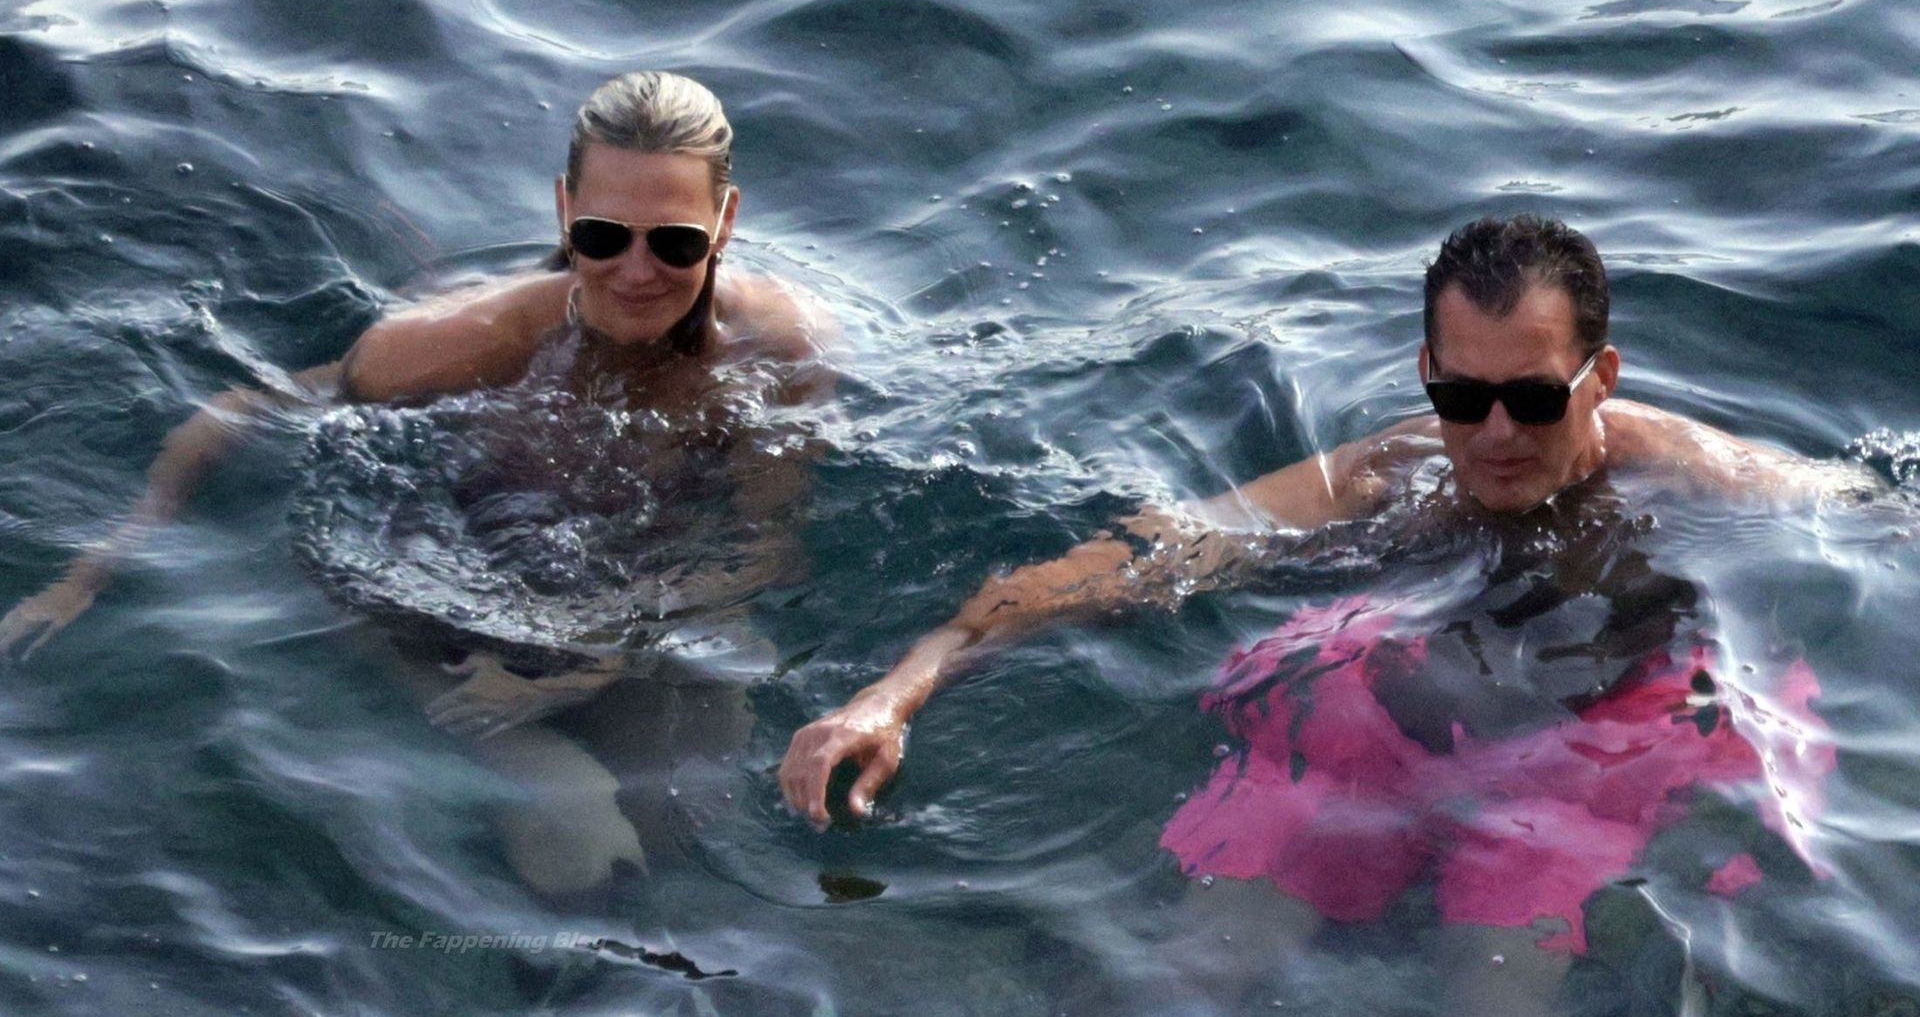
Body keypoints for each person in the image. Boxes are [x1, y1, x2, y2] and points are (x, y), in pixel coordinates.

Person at [779, 214, 1859, 1010]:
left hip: (1605, 727)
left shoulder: (1697, 476)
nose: (1494, 433)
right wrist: (898, 688)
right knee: (1184, 979)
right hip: (1415, 699)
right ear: (1427, 372)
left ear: (1601, 377)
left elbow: (1876, 520)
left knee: (1494, 989)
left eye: (1533, 398)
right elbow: (1134, 560)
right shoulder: (1393, 474)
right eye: (1461, 396)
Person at [3, 70, 837, 894]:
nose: (637, 270)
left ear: (725, 222)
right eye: (603, 236)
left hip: (624, 617)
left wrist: (606, 656)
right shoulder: (458, 344)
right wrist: (89, 575)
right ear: (563, 212)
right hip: (441, 630)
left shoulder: (780, 345)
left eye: (675, 242)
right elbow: (246, 412)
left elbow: (763, 548)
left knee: (700, 814)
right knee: (581, 834)